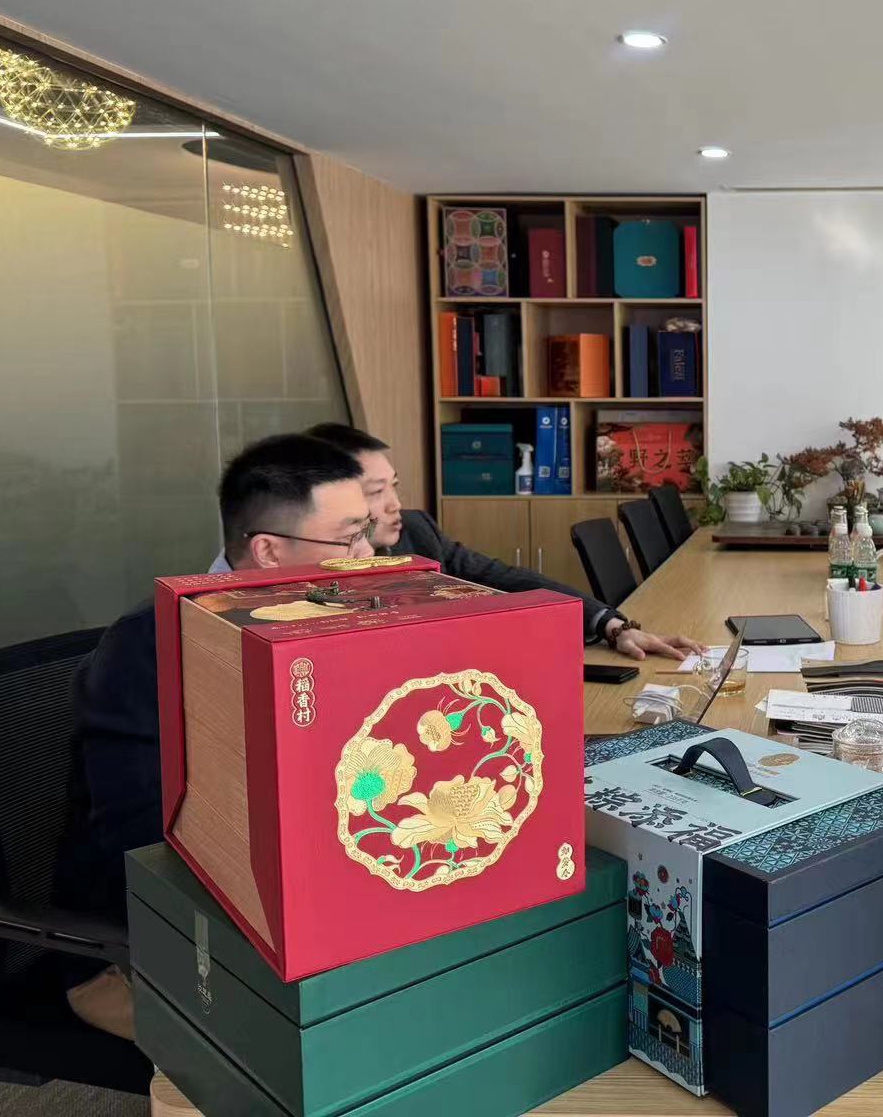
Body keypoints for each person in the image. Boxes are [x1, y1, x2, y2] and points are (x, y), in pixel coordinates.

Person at [59, 433, 374, 1037]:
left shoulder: (328, 613)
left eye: (365, 532)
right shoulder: (155, 644)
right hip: (162, 930)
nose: (369, 554)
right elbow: (142, 832)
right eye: (349, 538)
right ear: (269, 551)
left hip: (308, 889)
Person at [306, 423, 701, 661]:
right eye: (376, 492)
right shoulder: (315, 579)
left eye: (394, 486)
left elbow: (505, 579)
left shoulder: (416, 530)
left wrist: (613, 625)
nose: (395, 504)